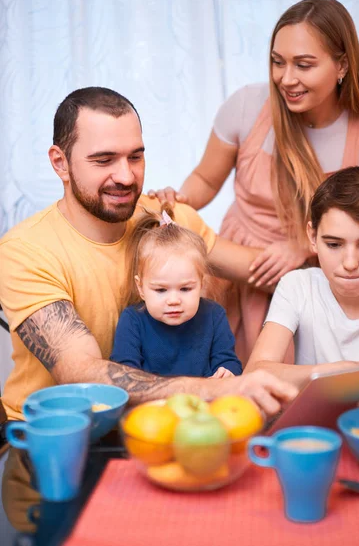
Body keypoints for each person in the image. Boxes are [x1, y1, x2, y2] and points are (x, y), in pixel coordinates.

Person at [0, 86, 297, 421]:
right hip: (51, 437)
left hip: (169, 426)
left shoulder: (169, 220)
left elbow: (268, 272)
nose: (126, 176)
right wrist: (217, 389)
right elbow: (82, 374)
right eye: (104, 160)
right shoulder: (24, 251)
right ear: (60, 163)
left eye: (135, 157)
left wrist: (305, 246)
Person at [149, 0, 359, 365]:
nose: (286, 78)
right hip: (235, 272)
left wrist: (304, 245)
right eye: (277, 62)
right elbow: (205, 177)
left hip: (313, 275)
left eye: (304, 64)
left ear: (342, 64)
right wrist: (179, 197)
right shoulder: (247, 106)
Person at [245, 166, 359, 387]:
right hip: (312, 421)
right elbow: (256, 372)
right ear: (313, 237)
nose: (350, 263)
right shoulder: (297, 286)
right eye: (334, 244)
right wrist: (338, 372)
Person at [110, 207, 242, 378]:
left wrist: (227, 372)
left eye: (185, 289)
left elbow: (229, 361)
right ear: (141, 287)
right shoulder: (133, 320)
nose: (173, 300)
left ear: (201, 283)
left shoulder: (214, 315)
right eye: (161, 290)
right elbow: (123, 371)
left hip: (204, 402)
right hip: (151, 403)